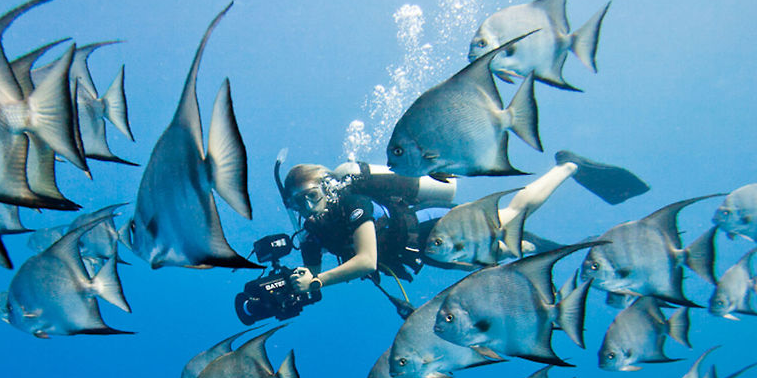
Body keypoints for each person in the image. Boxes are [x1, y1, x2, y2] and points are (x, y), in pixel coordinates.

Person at [277, 151, 647, 298]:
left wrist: (318, 280)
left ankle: (568, 166)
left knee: (513, 215)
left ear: (327, 187)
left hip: (432, 229)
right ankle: (569, 246)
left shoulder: (353, 201)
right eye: (296, 203)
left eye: (310, 196)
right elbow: (312, 277)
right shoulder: (311, 232)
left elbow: (366, 261)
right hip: (422, 253)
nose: (306, 208)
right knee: (504, 253)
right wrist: (294, 286)